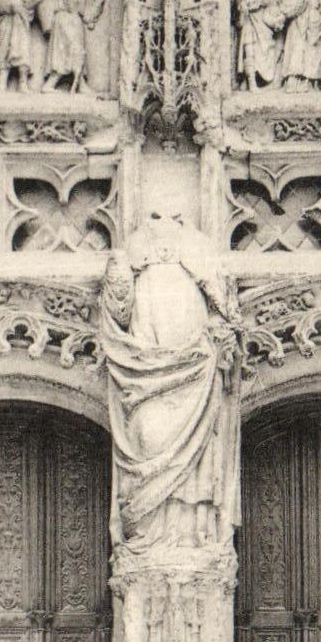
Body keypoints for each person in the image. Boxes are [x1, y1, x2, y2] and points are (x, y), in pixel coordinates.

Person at [100, 209, 238, 550]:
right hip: (146, 366)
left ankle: (193, 537)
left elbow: (220, 303)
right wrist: (118, 278)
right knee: (148, 436)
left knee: (197, 455)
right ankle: (152, 535)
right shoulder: (136, 257)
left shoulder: (197, 252)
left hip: (194, 364)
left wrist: (222, 332)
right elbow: (120, 311)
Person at [39, 0, 105, 92]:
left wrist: (98, 4)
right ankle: (50, 85)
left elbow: (85, 16)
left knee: (76, 51)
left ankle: (80, 83)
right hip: (65, 22)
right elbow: (73, 7)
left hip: (74, 23)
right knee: (67, 51)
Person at [234, 0, 294, 90]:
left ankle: (259, 81)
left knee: (268, 51)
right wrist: (246, 7)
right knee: (250, 53)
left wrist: (276, 18)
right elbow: (241, 7)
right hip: (250, 24)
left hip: (264, 26)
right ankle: (250, 83)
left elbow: (272, 7)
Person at [280, 0, 321, 90]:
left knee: (312, 52)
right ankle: (293, 80)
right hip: (297, 25)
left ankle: (309, 81)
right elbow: (284, 7)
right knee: (296, 50)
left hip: (313, 25)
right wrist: (297, 5)